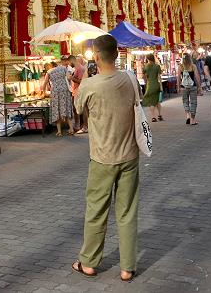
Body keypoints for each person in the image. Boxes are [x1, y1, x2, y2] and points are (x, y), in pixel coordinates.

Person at [72, 34, 140, 282]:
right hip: (129, 155)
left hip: (102, 157)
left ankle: (89, 262)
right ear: (117, 54)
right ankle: (127, 267)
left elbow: (78, 108)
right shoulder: (129, 79)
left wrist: (87, 78)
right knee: (127, 211)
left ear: (97, 56)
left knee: (96, 210)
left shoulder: (91, 84)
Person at [43, 57, 77, 136]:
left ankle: (59, 131)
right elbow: (69, 78)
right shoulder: (64, 68)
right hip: (65, 90)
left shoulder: (49, 72)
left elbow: (44, 84)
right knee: (67, 108)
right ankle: (71, 129)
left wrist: (44, 92)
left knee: (57, 110)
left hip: (55, 92)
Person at [179, 53, 202, 125]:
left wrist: (178, 87)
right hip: (193, 86)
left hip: (184, 87)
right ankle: (192, 119)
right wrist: (199, 86)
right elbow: (197, 76)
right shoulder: (193, 66)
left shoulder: (180, 66)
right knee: (193, 102)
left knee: (185, 101)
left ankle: (187, 116)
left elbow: (178, 77)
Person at [141, 54, 163, 121]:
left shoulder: (145, 67)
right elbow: (159, 77)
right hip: (156, 84)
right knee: (157, 100)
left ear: (147, 59)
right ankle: (159, 115)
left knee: (151, 101)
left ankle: (153, 117)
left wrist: (146, 82)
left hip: (149, 85)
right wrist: (161, 86)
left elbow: (143, 77)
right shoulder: (157, 66)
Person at [70, 56, 88, 133]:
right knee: (78, 109)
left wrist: (71, 78)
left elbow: (81, 81)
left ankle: (84, 126)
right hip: (77, 91)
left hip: (79, 91)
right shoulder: (78, 68)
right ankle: (80, 125)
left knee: (82, 109)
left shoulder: (80, 69)